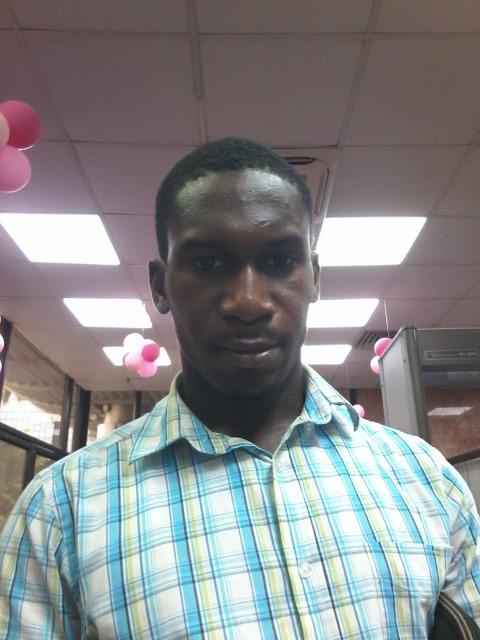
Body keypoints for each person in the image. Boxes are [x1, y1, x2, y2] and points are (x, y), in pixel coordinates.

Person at [0, 138, 479, 639]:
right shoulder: (61, 514)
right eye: (208, 264)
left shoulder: (424, 480)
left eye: (280, 261)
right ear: (161, 285)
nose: (248, 302)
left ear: (314, 277)